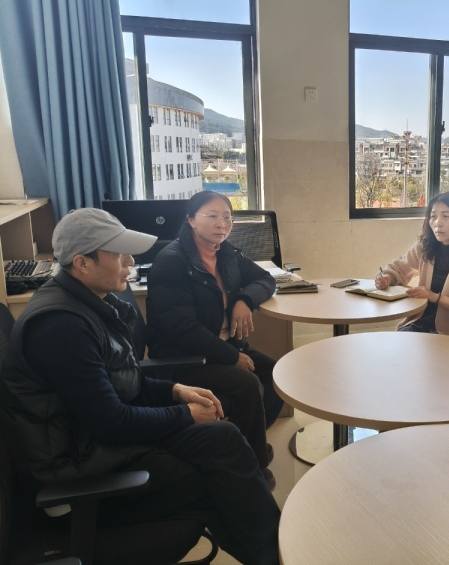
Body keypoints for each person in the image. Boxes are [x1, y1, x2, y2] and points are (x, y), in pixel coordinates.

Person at [1, 208, 280, 565]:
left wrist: (174, 391)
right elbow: (111, 422)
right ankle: (276, 555)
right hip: (80, 466)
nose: (131, 261)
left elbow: (118, 382)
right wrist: (185, 414)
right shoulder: (61, 327)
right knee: (215, 479)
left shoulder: (91, 304)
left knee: (223, 438)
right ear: (82, 263)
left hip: (96, 442)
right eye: (119, 254)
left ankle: (277, 553)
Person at [145, 191, 283, 488]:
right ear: (191, 220)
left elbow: (266, 279)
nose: (222, 223)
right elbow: (181, 329)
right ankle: (253, 468)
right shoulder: (172, 261)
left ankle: (247, 444)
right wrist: (232, 357)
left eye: (227, 217)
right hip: (185, 355)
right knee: (248, 383)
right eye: (213, 216)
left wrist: (244, 300)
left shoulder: (226, 253)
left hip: (223, 345)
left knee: (278, 374)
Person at [374, 191, 449, 341]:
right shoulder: (425, 247)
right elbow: (398, 269)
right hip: (419, 323)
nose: (438, 223)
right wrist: (386, 278)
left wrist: (435, 297)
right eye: (433, 216)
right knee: (391, 347)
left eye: (446, 216)